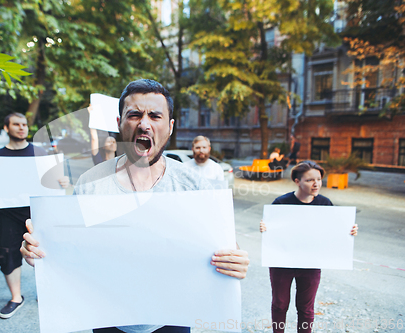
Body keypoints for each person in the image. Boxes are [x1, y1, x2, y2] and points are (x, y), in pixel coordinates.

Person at [21, 79, 250, 333]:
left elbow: (224, 247)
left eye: (155, 115)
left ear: (170, 126)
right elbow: (68, 248)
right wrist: (40, 252)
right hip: (108, 318)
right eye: (134, 115)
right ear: (119, 123)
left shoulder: (193, 186)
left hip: (173, 318)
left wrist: (235, 260)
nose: (144, 123)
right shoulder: (91, 184)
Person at [0, 113, 69, 319]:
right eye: (16, 124)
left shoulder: (42, 154)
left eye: (25, 125)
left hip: (38, 212)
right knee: (7, 253)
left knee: (42, 253)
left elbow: (56, 184)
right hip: (7, 215)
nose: (22, 128)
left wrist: (63, 183)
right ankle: (16, 298)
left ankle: (44, 294)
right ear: (6, 128)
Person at [259, 161, 358, 333]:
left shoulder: (325, 204)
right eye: (310, 180)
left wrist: (348, 231)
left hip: (311, 264)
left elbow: (332, 232)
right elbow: (272, 231)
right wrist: (266, 228)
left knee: (306, 308)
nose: (316, 184)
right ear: (297, 181)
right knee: (280, 305)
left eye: (319, 179)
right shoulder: (281, 203)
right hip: (282, 263)